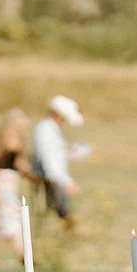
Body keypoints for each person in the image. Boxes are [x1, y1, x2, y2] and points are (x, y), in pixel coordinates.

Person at [0, 107, 33, 259]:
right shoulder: (13, 140)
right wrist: (32, 174)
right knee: (10, 216)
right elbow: (19, 163)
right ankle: (22, 254)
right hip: (6, 183)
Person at [31, 95, 83, 231]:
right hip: (52, 179)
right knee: (58, 210)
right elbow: (49, 159)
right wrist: (65, 181)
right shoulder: (46, 131)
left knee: (58, 210)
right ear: (58, 116)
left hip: (53, 178)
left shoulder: (49, 130)